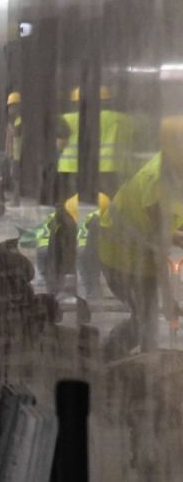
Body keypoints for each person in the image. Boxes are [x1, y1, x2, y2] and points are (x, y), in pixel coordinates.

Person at [98, 116, 183, 360]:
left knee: (147, 320)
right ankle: (109, 362)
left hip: (140, 246)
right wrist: (168, 300)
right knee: (145, 320)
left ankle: (142, 367)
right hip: (120, 255)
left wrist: (175, 235)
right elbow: (158, 250)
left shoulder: (175, 168)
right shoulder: (156, 182)